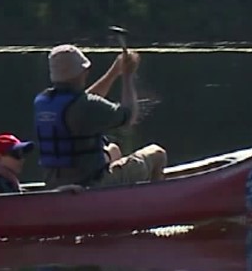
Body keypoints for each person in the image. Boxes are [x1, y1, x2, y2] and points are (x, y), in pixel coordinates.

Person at [34, 44, 167, 190]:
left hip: (54, 183)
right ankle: (153, 202)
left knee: (113, 150)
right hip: (90, 184)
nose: (86, 72)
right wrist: (128, 76)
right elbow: (128, 116)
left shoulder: (43, 101)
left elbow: (82, 102)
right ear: (79, 72)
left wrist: (115, 71)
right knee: (157, 153)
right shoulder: (86, 106)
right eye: (84, 69)